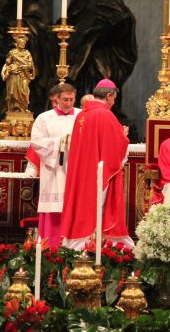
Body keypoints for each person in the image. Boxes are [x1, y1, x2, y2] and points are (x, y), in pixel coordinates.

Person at [60, 79, 132, 249]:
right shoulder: (105, 115)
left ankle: (77, 245)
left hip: (81, 172)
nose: (114, 102)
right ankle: (96, 245)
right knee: (98, 210)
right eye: (113, 98)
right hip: (99, 175)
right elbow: (116, 150)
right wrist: (123, 135)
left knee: (82, 208)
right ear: (108, 96)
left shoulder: (82, 115)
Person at [30, 83, 81, 247]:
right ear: (56, 99)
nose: (69, 103)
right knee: (54, 209)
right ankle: (51, 247)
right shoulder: (44, 118)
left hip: (75, 171)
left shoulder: (82, 117)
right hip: (53, 171)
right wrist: (60, 143)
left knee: (75, 208)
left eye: (72, 99)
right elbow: (36, 143)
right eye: (65, 100)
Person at [1, 35, 36, 113]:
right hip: (14, 75)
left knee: (24, 91)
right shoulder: (12, 52)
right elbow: (8, 63)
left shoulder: (27, 53)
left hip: (24, 75)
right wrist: (8, 63)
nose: (23, 44)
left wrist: (25, 66)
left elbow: (31, 65)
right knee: (13, 91)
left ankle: (23, 107)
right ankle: (14, 107)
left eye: (24, 43)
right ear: (17, 43)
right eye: (21, 43)